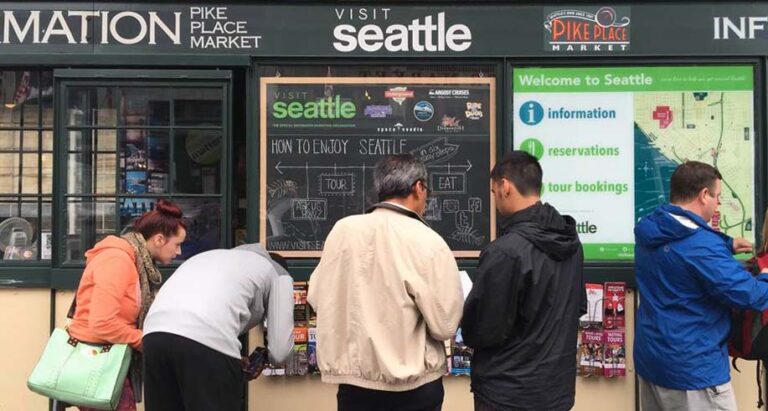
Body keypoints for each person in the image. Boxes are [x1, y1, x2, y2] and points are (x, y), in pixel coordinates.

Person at [307, 154, 464, 411]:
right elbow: (445, 325)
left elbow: (316, 296)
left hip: (354, 386)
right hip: (414, 387)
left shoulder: (343, 231)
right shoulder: (428, 240)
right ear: (418, 187)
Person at [634, 161, 768, 410]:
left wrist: (725, 245)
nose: (718, 204)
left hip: (652, 361)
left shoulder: (651, 228)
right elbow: (753, 295)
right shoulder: (701, 247)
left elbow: (679, 258)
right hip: (693, 372)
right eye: (717, 197)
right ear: (703, 195)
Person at [461, 151, 585, 411]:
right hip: (555, 390)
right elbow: (577, 307)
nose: (494, 199)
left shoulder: (505, 251)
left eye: (494, 192)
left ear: (505, 187)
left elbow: (483, 330)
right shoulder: (570, 241)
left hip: (507, 393)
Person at [142, 243, 294, 411]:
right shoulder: (278, 273)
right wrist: (266, 357)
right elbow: (280, 352)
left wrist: (230, 357)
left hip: (154, 333)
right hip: (206, 339)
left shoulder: (209, 256)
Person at [67, 199, 186, 411]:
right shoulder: (118, 260)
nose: (178, 252)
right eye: (177, 244)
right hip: (96, 360)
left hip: (108, 356)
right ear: (159, 239)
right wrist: (142, 340)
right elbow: (102, 323)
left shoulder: (135, 261)